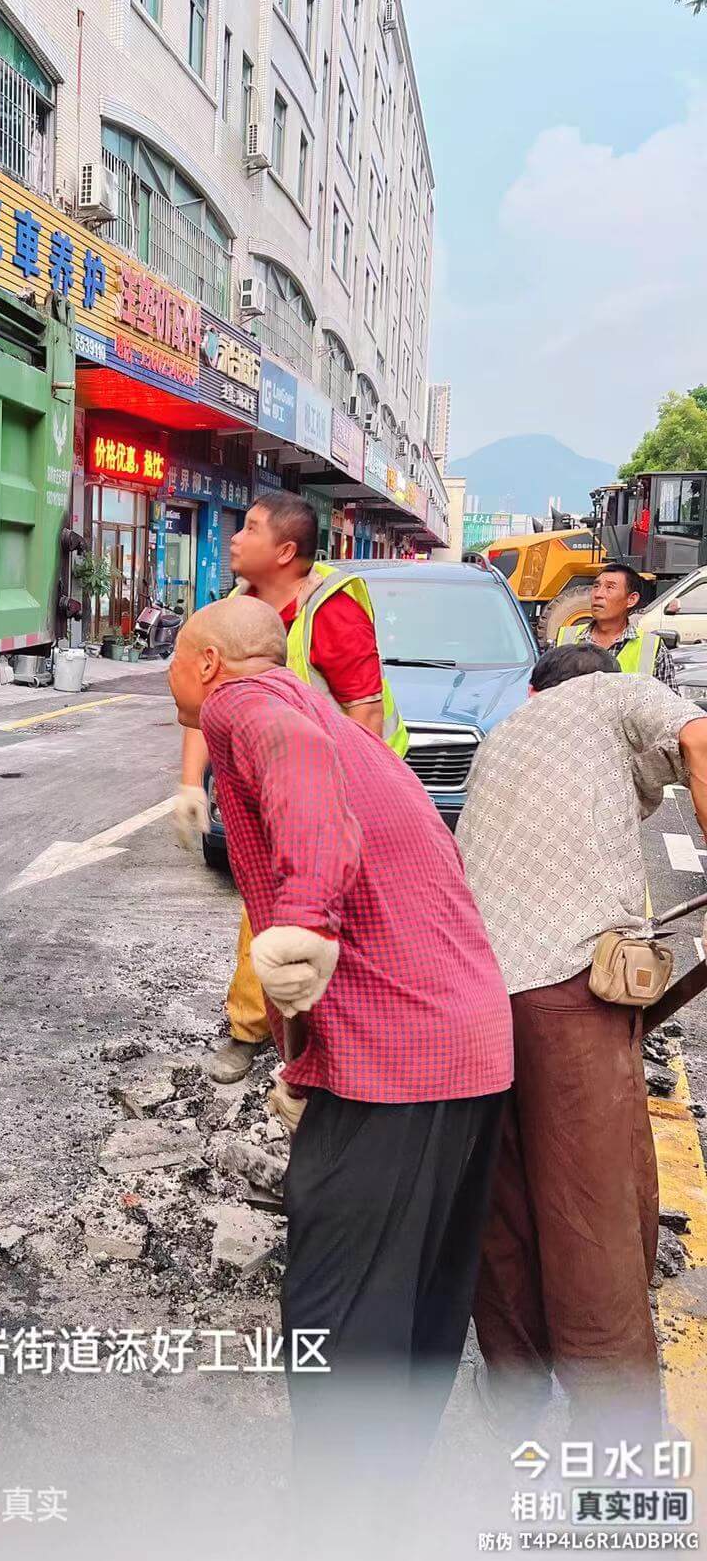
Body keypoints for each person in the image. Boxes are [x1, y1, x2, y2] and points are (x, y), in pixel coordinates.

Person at [168, 597, 512, 1486]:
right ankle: (384, 1507)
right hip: (461, 1047)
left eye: (173, 657)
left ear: (206, 664)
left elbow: (300, 773)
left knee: (338, 1315)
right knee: (416, 1305)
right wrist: (307, 1062)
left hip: (401, 1064)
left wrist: (305, 922)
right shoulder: (310, 701)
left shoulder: (245, 706)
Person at [457, 640, 707, 1439]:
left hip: (471, 1001)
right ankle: (616, 1430)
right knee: (592, 1209)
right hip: (564, 987)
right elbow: (700, 740)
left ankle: (516, 1397)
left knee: (505, 1206)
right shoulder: (609, 695)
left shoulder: (503, 738)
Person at [172, 492, 407, 1084]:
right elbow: (208, 702)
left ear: (285, 551)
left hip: (337, 787)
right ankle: (268, 1031)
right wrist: (189, 784)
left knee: (301, 913)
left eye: (249, 528)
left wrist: (336, 809)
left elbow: (365, 713)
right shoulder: (237, 606)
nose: (233, 537)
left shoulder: (331, 609)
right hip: (268, 788)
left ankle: (295, 1038)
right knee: (265, 908)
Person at [555, 562, 674, 681]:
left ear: (631, 599)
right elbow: (544, 694)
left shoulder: (652, 649)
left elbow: (667, 698)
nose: (598, 594)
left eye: (610, 587)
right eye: (596, 586)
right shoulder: (564, 639)